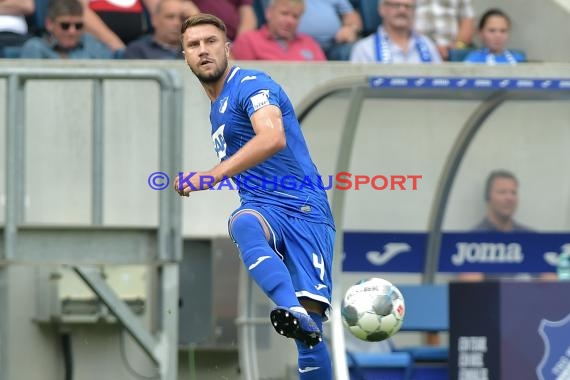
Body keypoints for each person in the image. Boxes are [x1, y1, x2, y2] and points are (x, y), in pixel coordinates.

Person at [176, 13, 335, 379]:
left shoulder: (250, 84)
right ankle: (289, 308)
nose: (203, 50)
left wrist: (211, 176)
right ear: (184, 55)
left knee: (310, 338)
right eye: (193, 45)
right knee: (244, 222)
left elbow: (272, 136)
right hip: (264, 208)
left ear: (227, 47)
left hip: (303, 209)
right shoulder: (216, 108)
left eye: (211, 42)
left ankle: (295, 313)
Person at [350, 0, 441, 64]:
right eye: (396, 5)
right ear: (382, 9)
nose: (402, 10)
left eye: (408, 6)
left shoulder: (428, 45)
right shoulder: (364, 49)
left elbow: (441, 85)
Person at [231, 0, 326, 61]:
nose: (290, 21)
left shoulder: (309, 42)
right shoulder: (248, 40)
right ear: (269, 13)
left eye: (295, 16)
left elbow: (324, 75)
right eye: (284, 13)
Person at [20, 0, 113, 59]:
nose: (72, 31)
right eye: (65, 25)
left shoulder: (93, 45)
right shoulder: (36, 48)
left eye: (78, 26)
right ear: (49, 24)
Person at [297, 0, 362, 61]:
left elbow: (351, 15)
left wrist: (350, 28)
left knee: (354, 50)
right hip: (298, 44)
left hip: (333, 44)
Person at [123, 0, 190, 59]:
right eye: (170, 17)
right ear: (154, 20)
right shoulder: (137, 50)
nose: (177, 23)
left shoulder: (195, 49)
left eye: (182, 18)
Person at [192, 0, 257, 41]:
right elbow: (184, 7)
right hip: (200, 35)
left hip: (232, 41)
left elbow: (248, 17)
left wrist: (238, 45)